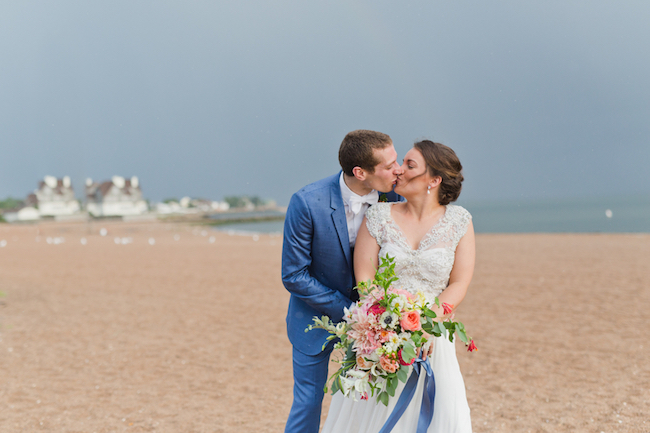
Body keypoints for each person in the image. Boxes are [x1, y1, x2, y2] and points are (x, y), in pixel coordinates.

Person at [321, 140, 475, 433]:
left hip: (433, 337)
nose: (398, 171)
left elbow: (459, 282)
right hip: (381, 332)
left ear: (434, 179)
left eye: (409, 165)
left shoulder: (460, 221)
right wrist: (386, 321)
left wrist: (428, 323)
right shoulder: (378, 216)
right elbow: (365, 280)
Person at [282, 130, 404, 433]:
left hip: (380, 323)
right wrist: (352, 311)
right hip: (314, 318)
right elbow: (294, 275)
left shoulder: (397, 198)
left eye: (397, 160)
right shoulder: (306, 202)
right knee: (308, 402)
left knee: (375, 400)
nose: (398, 169)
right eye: (389, 166)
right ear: (360, 173)